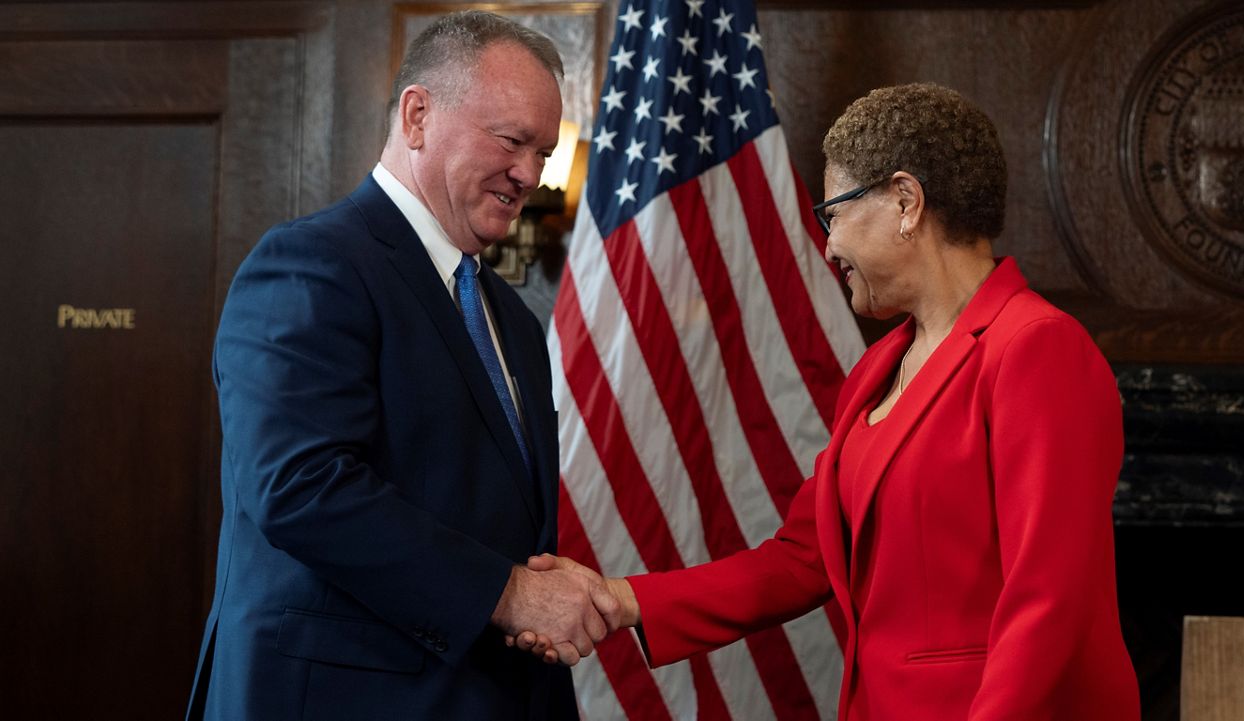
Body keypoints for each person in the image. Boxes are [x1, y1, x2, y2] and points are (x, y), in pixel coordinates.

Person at [515, 83, 1142, 720]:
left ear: (905, 202)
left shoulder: (1036, 349)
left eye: (834, 213)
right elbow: (801, 559)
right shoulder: (878, 367)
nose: (828, 242)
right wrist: (622, 600)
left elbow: (1049, 601)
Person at [185, 11, 617, 720]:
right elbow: (299, 486)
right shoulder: (312, 264)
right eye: (513, 142)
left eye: (543, 152)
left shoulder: (510, 315)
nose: (531, 175)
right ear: (417, 115)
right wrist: (507, 594)